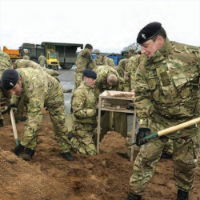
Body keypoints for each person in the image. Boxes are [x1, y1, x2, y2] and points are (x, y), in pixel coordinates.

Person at [126, 22, 200, 200]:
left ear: (159, 40)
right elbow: (142, 95)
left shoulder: (191, 55)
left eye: (146, 46)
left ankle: (183, 193)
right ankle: (134, 195)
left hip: (187, 123)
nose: (143, 51)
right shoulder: (144, 66)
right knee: (144, 160)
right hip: (157, 120)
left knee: (186, 163)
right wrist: (144, 124)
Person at [0, 68, 74, 161]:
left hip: (53, 95)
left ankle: (66, 149)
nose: (13, 92)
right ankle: (30, 150)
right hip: (35, 91)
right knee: (30, 122)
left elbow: (35, 120)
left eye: (14, 89)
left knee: (58, 123)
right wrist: (13, 101)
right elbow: (15, 91)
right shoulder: (13, 76)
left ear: (20, 80)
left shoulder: (34, 86)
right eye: (10, 91)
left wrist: (22, 145)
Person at [70, 69, 98, 155]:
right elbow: (77, 112)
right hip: (81, 127)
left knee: (93, 147)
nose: (94, 81)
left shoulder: (91, 90)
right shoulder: (80, 92)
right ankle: (71, 141)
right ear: (85, 79)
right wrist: (94, 111)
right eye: (92, 79)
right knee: (92, 152)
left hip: (90, 127)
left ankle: (79, 140)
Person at [0, 50, 13, 127]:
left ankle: (1, 120)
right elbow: (11, 68)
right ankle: (11, 114)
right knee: (9, 97)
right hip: (5, 78)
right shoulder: (6, 55)